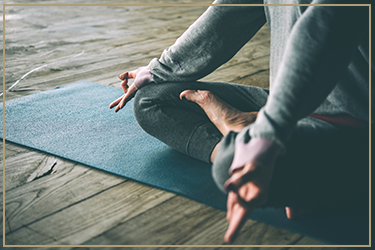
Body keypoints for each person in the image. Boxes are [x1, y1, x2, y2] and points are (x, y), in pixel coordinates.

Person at [109, 0, 370, 244]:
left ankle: (249, 140)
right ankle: (263, 152)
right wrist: (157, 70)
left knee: (227, 165)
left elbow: (324, 26)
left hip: (355, 124)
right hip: (282, 103)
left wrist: (269, 134)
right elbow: (229, 12)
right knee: (150, 100)